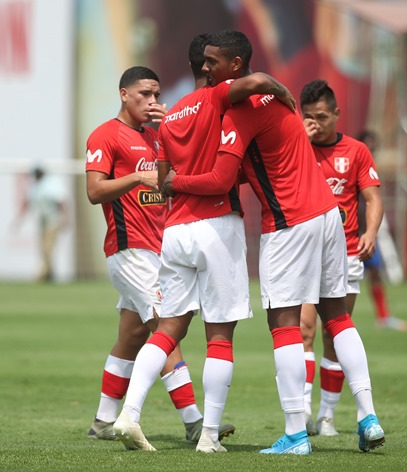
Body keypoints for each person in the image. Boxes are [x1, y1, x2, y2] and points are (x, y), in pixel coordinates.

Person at [164, 30, 385, 454]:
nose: (205, 68)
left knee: (283, 325)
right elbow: (259, 163)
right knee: (337, 318)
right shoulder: (276, 101)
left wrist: (176, 183)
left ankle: (296, 434)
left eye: (212, 62)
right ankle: (368, 416)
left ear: (235, 65)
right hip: (328, 217)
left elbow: (222, 180)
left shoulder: (240, 113)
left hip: (290, 223)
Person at [112, 33, 296, 453]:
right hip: (216, 224)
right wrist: (278, 87)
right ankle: (209, 436)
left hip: (174, 231)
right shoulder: (215, 99)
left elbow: (163, 179)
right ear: (210, 67)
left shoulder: (171, 114)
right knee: (220, 336)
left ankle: (129, 414)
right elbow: (255, 83)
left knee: (167, 330)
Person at [84, 66, 233, 447]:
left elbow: (181, 173)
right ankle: (194, 421)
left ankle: (103, 420)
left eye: (156, 94)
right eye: (144, 95)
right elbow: (94, 191)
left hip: (158, 249)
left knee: (132, 334)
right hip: (130, 248)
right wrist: (136, 178)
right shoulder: (105, 135)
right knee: (166, 329)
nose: (152, 101)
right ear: (123, 94)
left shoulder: (156, 136)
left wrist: (174, 126)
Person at [297, 81, 384, 437]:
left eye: (321, 116)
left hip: (345, 253)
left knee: (335, 334)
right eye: (308, 117)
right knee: (304, 329)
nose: (315, 123)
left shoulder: (357, 151)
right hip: (302, 255)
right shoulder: (295, 147)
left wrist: (371, 232)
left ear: (336, 113)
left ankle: (328, 417)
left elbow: (372, 198)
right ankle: (301, 408)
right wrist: (299, 139)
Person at [357, 130, 407, 332]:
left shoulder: (370, 169)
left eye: (373, 146)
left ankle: (383, 316)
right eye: (367, 145)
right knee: (331, 277)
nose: (371, 149)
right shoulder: (348, 164)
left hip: (365, 232)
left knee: (375, 272)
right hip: (346, 232)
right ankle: (320, 316)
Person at [13, 166, 68, 282]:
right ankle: (49, 275)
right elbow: (27, 204)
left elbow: (61, 202)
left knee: (48, 248)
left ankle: (42, 274)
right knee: (44, 249)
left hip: (52, 221)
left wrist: (65, 218)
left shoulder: (51, 185)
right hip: (42, 222)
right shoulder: (34, 187)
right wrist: (18, 221)